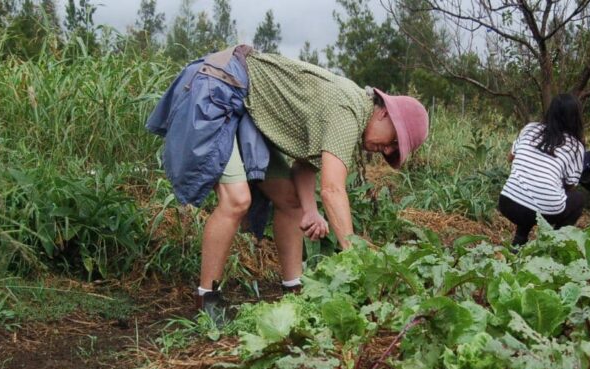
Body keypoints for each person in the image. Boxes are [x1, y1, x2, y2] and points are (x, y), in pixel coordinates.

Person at [146, 44, 429, 320]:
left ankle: (293, 290)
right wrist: (355, 259)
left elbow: (304, 166)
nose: (388, 151)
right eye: (393, 141)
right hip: (219, 85)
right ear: (383, 113)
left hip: (243, 103)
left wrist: (310, 210)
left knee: (292, 204)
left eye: (395, 151)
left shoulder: (349, 111)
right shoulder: (349, 112)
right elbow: (332, 189)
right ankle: (207, 300)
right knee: (237, 199)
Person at [498, 93, 586, 248]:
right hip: (545, 212)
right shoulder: (575, 146)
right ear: (576, 118)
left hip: (508, 203)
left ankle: (519, 242)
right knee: (577, 199)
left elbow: (510, 158)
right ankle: (554, 245)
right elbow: (571, 185)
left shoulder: (530, 128)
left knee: (529, 193)